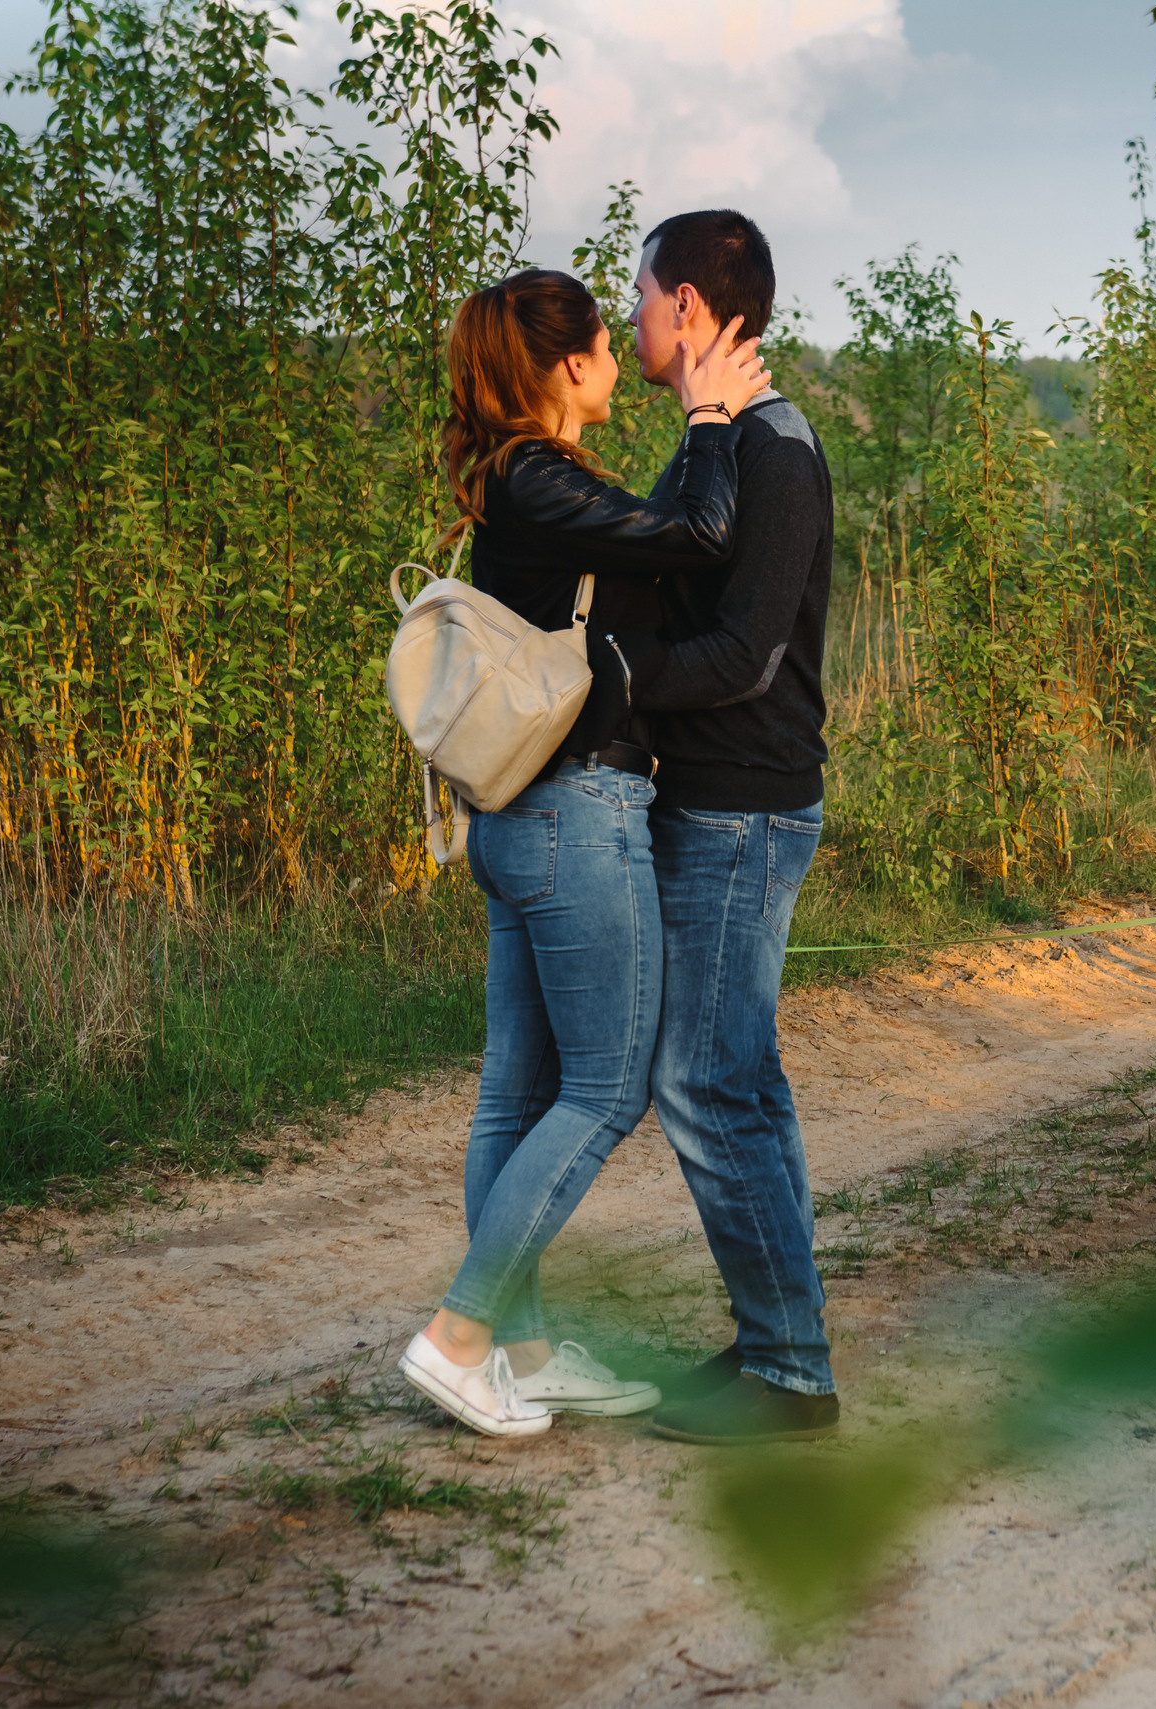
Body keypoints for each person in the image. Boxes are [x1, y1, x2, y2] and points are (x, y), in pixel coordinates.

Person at [398, 268, 771, 1439]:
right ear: (570, 364)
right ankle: (459, 1336)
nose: (623, 357)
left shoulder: (528, 485)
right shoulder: (537, 480)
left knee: (516, 1092)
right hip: (574, 817)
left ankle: (523, 1348)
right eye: (608, 341)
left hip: (524, 820)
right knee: (606, 1089)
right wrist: (710, 416)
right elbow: (702, 535)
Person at [616, 211, 843, 1446]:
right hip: (719, 800)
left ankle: (793, 1377)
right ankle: (775, 1342)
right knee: (738, 1075)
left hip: (741, 807)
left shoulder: (775, 452)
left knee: (702, 1080)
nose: (631, 313)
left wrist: (607, 684)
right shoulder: (729, 441)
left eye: (641, 291)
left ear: (694, 307)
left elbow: (746, 655)